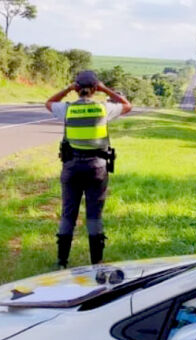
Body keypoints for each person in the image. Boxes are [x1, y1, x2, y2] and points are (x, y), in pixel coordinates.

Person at [45, 71, 132, 268]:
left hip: (71, 167)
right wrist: (105, 88)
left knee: (68, 213)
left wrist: (67, 88)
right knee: (94, 215)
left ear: (77, 88)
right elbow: (127, 105)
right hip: (97, 168)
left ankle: (62, 262)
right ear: (94, 88)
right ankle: (97, 262)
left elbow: (49, 103)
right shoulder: (103, 108)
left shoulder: (66, 109)